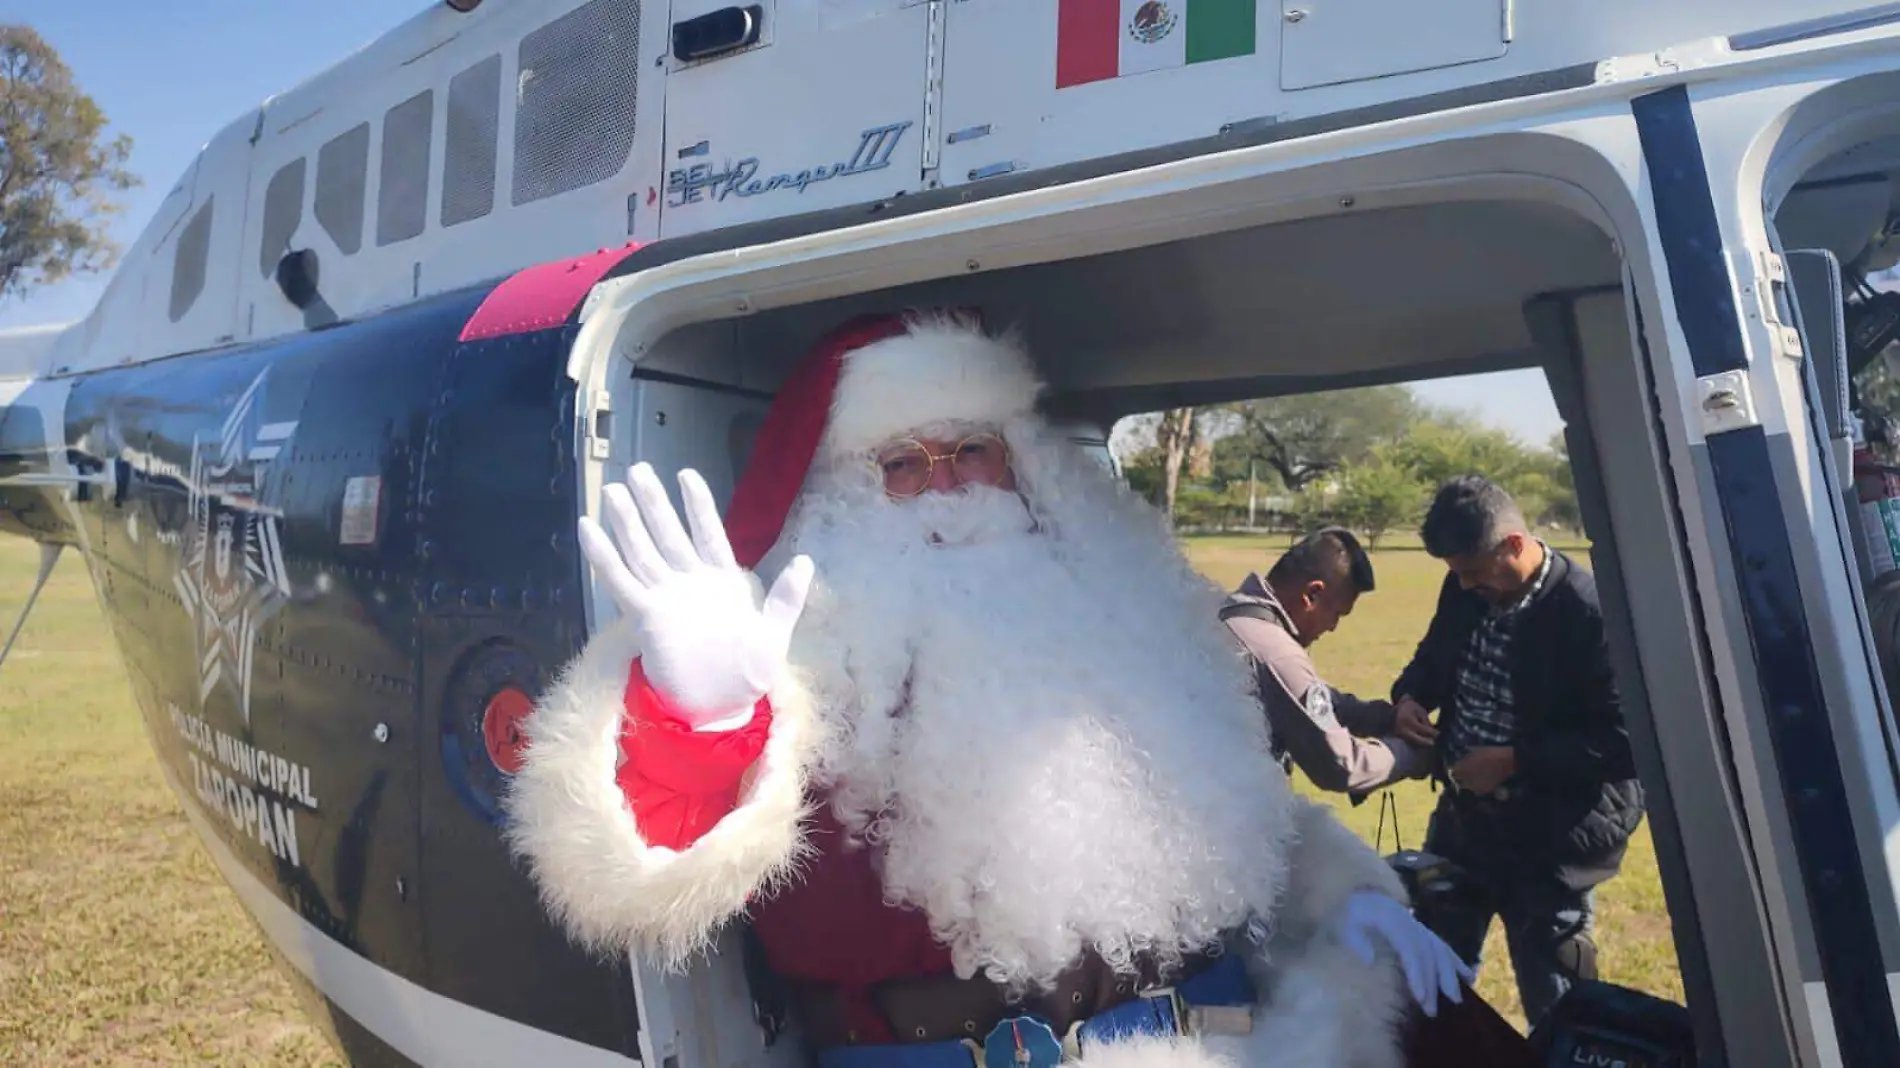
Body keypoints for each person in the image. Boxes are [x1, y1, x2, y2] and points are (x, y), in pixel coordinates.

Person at [504, 312, 1529, 1067]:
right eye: (901, 462)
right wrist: (703, 717)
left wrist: (1341, 896)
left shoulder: (1123, 608)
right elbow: (659, 851)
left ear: (1021, 466)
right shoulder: (808, 652)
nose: (944, 481)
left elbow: (1231, 812)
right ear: (846, 495)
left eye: (970, 451)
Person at [1392, 475, 1646, 1030]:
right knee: (1434, 986)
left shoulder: (1591, 615)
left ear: (1513, 544)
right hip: (1464, 828)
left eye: (1475, 572)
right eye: (1454, 573)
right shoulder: (1463, 588)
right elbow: (1434, 657)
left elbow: (1628, 741)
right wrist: (1410, 696)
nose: (1463, 585)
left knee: (1558, 1004)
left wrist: (1512, 760)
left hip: (1552, 842)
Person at [1220, 527, 1432, 796]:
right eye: (1337, 613)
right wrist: (1412, 755)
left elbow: (1308, 699)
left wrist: (1386, 719)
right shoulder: (1277, 653)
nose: (1332, 627)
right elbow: (1342, 765)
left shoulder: (1229, 613)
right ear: (1312, 595)